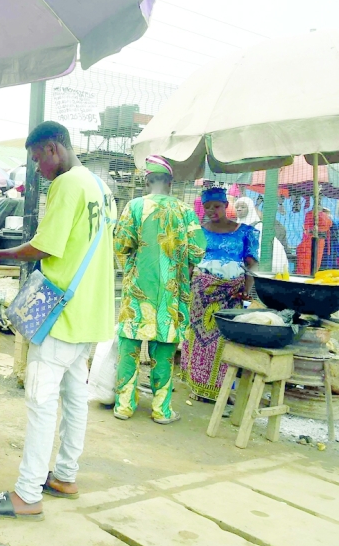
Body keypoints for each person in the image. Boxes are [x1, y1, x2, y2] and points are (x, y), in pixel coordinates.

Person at [0, 121, 116, 521]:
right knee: (75, 400)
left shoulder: (67, 185)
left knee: (40, 402)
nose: (38, 168)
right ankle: (65, 476)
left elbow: (44, 247)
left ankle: (27, 494)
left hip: (61, 315)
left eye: (38, 158)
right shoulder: (100, 186)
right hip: (91, 312)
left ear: (54, 148)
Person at [113, 156, 205, 424]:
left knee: (129, 348)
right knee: (163, 352)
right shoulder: (185, 210)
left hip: (136, 292)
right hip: (170, 295)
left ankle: (124, 406)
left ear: (146, 180)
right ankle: (161, 410)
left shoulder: (133, 207)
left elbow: (121, 244)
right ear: (170, 181)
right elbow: (198, 251)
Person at [183, 187, 259, 401]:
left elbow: (251, 264)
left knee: (224, 340)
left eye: (216, 206)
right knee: (199, 339)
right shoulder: (199, 232)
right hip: (201, 295)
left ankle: (222, 390)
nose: (211, 211)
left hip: (231, 295)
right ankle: (198, 387)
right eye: (207, 207)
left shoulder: (244, 232)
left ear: (227, 206)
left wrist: (246, 290)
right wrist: (186, 287)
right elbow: (191, 264)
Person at [235, 195, 289, 274]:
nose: (239, 209)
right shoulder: (237, 227)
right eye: (237, 207)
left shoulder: (257, 227)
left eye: (243, 207)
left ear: (250, 208)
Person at [296, 207, 333, 275]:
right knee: (309, 270)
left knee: (307, 271)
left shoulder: (318, 217)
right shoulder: (319, 218)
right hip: (311, 244)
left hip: (312, 244)